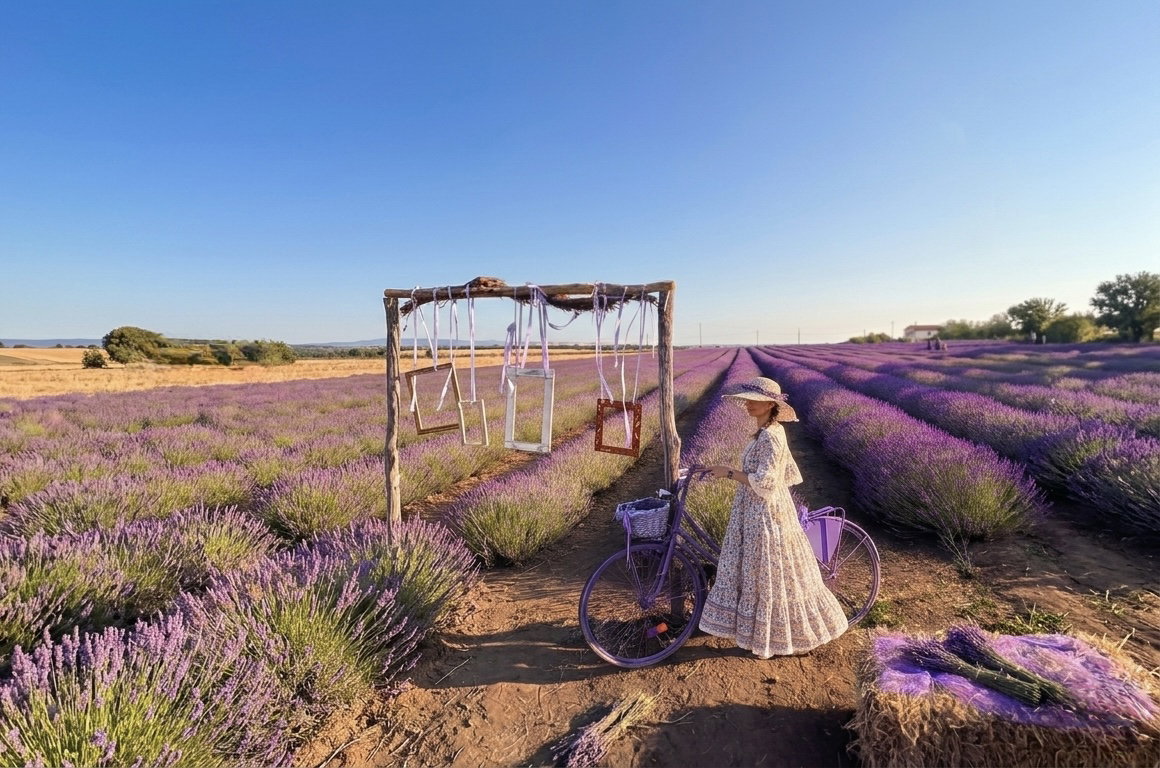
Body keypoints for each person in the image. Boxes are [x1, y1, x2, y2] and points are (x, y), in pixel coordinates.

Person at [700, 377, 848, 658]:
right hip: (756, 508)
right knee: (767, 573)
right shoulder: (767, 431)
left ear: (770, 404)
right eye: (746, 399)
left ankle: (780, 637)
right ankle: (767, 633)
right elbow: (783, 474)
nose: (747, 404)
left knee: (770, 574)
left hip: (764, 512)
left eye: (753, 400)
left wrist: (727, 472)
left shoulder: (770, 436)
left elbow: (766, 482)